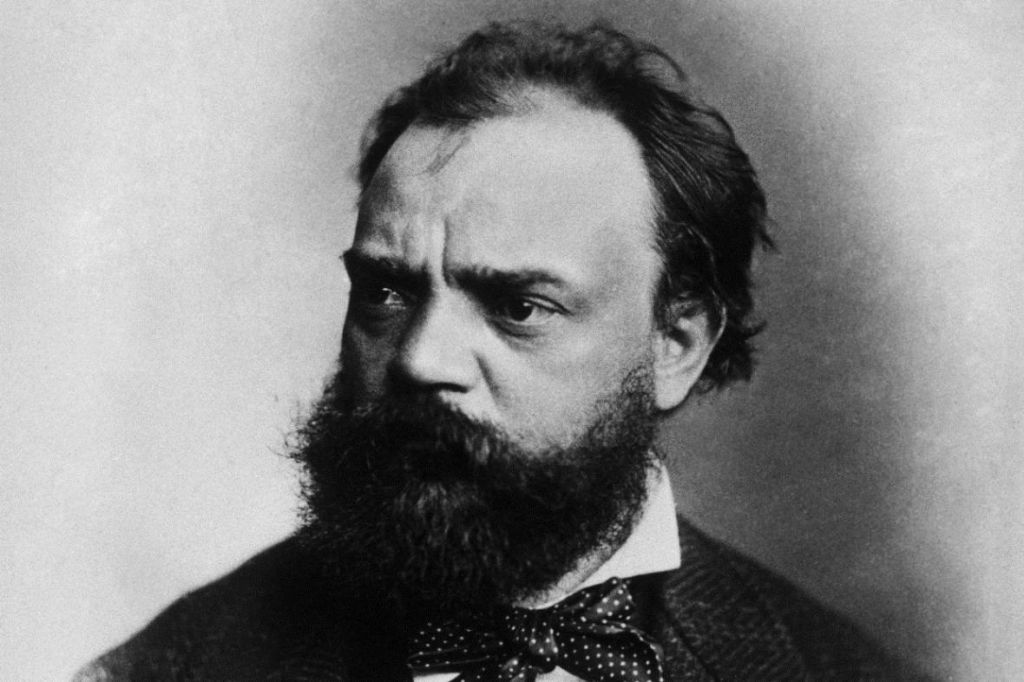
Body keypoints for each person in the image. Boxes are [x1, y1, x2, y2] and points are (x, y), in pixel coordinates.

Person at [78, 21, 911, 681]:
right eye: (387, 291)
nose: (422, 359)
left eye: (518, 307)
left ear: (676, 343)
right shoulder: (171, 666)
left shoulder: (830, 668)